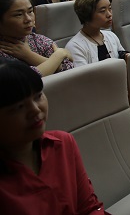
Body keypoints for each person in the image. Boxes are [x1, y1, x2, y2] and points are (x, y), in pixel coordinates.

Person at [0, 58, 107, 214]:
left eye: (38, 96)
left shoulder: (62, 143)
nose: (35, 110)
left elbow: (89, 207)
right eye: (19, 107)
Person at [0, 0, 73, 76]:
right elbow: (24, 80)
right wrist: (59, 55)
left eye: (30, 11)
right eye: (18, 14)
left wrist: (29, 55)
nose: (28, 19)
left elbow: (70, 69)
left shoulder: (38, 40)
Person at [66, 0, 128, 67]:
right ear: (87, 15)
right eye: (102, 11)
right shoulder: (75, 46)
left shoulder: (111, 36)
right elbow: (84, 74)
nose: (109, 14)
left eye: (110, 8)